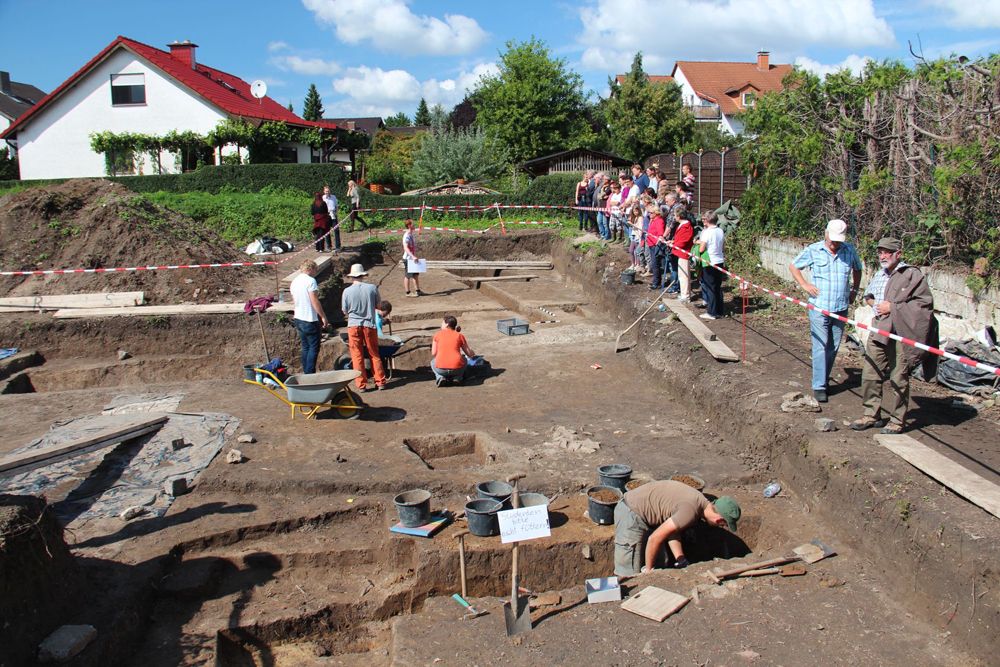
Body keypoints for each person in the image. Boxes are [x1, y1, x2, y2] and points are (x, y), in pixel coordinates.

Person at [850, 238, 934, 434]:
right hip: (879, 329)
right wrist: (874, 304)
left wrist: (893, 308)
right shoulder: (880, 274)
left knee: (898, 376)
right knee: (870, 373)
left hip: (900, 333)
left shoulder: (911, 275)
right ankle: (871, 414)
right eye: (880, 252)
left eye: (887, 252)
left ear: (898, 253)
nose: (883, 256)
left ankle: (897, 420)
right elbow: (869, 296)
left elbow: (924, 306)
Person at [789, 219, 863, 403]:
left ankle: (823, 376)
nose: (834, 243)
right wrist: (804, 284)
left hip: (840, 307)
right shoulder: (814, 250)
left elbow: (858, 269)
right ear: (826, 233)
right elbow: (794, 266)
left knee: (833, 346)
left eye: (838, 239)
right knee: (820, 345)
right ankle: (819, 385)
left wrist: (854, 290)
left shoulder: (849, 251)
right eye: (832, 239)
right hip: (819, 307)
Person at [614, 480, 741, 576]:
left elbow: (672, 531)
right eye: (723, 524)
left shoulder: (701, 502)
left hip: (647, 516)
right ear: (719, 520)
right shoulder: (690, 511)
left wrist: (681, 559)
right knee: (629, 571)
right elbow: (654, 538)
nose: (721, 527)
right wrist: (648, 572)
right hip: (631, 513)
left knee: (661, 561)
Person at [341, 263, 387, 391]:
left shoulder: (346, 291)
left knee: (357, 355)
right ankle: (380, 382)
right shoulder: (372, 288)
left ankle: (361, 385)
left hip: (353, 326)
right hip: (369, 325)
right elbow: (378, 306)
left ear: (352, 277)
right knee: (374, 354)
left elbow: (344, 311)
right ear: (362, 275)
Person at [289, 259, 328, 374]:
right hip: (309, 319)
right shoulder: (311, 281)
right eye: (315, 270)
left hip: (298, 318)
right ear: (310, 269)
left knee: (305, 347)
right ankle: (310, 374)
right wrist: (323, 316)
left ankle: (306, 372)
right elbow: (314, 300)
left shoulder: (294, 281)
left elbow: (294, 301)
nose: (316, 272)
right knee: (313, 348)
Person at [431, 315, 476, 387]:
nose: (441, 324)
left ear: (447, 324)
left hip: (441, 370)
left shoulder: (437, 335)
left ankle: (440, 377)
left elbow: (433, 353)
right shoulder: (459, 335)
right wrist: (473, 352)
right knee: (464, 359)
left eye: (442, 323)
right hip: (457, 369)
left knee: (433, 361)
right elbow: (469, 354)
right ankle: (457, 378)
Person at [696, 211, 726, 320]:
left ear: (708, 220)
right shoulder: (720, 230)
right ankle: (719, 310)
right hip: (719, 260)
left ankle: (711, 312)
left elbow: (702, 248)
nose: (703, 221)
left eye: (704, 219)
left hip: (709, 261)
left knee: (710, 287)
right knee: (717, 287)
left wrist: (698, 243)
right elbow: (722, 246)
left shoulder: (707, 232)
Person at [668, 205, 695, 303]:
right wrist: (673, 241)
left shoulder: (686, 227)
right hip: (680, 253)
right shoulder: (682, 225)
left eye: (675, 215)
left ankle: (686, 295)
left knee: (684, 275)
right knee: (681, 274)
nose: (674, 217)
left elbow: (683, 241)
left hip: (684, 254)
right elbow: (679, 239)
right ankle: (684, 293)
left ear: (679, 216)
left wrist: (673, 244)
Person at [645, 203, 667, 290]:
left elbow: (660, 234)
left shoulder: (659, 221)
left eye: (650, 213)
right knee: (654, 264)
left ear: (656, 213)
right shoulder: (653, 220)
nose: (649, 214)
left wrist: (657, 243)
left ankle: (656, 282)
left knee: (655, 264)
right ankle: (655, 280)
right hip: (651, 244)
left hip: (655, 245)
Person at [401, 219, 423, 297]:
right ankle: (408, 292)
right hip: (408, 259)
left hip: (411, 259)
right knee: (408, 275)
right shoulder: (406, 235)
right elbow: (405, 248)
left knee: (415, 275)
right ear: (409, 225)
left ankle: (418, 290)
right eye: (413, 224)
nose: (414, 225)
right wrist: (412, 256)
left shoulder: (411, 234)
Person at [321, 184, 342, 252]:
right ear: (324, 191)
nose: (327, 192)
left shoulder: (333, 197)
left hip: (333, 215)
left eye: (328, 191)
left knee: (336, 230)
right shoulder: (322, 198)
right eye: (326, 191)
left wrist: (336, 212)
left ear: (330, 191)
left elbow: (336, 205)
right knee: (327, 231)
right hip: (326, 216)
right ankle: (329, 246)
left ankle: (338, 247)